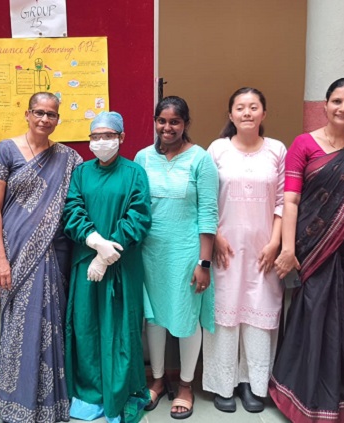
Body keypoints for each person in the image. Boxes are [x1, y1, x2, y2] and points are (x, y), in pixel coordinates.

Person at [270, 78, 344, 422]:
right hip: (313, 247)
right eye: (337, 101)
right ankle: (300, 394)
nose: (343, 108)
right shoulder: (304, 144)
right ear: (325, 105)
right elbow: (291, 200)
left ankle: (339, 394)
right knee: (311, 316)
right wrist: (288, 249)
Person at [0, 92, 83, 422]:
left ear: (58, 119)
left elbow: (78, 202)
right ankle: (17, 402)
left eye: (51, 114)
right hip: (14, 252)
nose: (44, 119)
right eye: (39, 112)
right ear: (27, 114)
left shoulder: (68, 157)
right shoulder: (5, 150)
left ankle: (52, 403)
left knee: (52, 323)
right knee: (20, 324)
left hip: (54, 252)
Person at [63, 111, 152, 423]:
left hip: (122, 264)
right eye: (96, 136)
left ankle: (121, 393)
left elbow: (139, 216)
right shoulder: (81, 173)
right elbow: (72, 209)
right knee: (85, 326)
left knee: (121, 329)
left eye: (108, 136)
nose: (101, 141)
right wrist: (93, 241)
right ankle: (90, 393)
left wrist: (107, 253)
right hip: (85, 262)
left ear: (121, 137)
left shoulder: (134, 173)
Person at [134, 96, 219, 419]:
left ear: (185, 124)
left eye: (174, 122)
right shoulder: (142, 158)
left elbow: (208, 214)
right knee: (154, 318)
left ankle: (185, 385)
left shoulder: (200, 159)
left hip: (186, 254)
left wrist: (204, 263)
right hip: (150, 253)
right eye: (162, 121)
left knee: (186, 318)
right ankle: (157, 380)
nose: (167, 127)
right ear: (155, 121)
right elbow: (137, 206)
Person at [203, 87, 285, 414]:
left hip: (264, 250)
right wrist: (216, 236)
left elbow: (284, 201)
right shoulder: (218, 149)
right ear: (231, 114)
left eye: (253, 107)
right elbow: (206, 197)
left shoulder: (277, 150)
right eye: (240, 107)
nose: (247, 113)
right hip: (226, 248)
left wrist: (276, 242)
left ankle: (253, 384)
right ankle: (223, 384)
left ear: (264, 113)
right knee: (225, 313)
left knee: (259, 314)